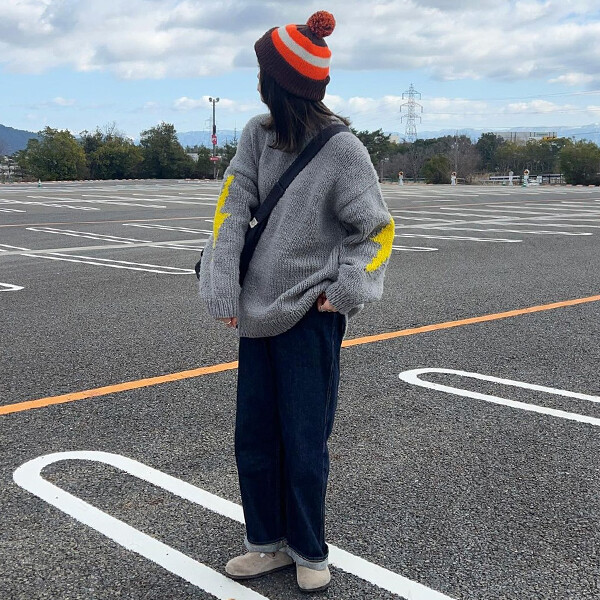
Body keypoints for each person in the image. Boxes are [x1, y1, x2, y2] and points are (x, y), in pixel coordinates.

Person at [198, 10, 394, 593]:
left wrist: (346, 290)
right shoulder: (257, 135)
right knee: (255, 438)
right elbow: (232, 205)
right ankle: (265, 543)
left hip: (310, 315)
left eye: (263, 73)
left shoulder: (343, 151)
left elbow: (376, 230)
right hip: (257, 315)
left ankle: (309, 549)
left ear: (279, 84)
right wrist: (222, 281)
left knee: (305, 441)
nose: (257, 82)